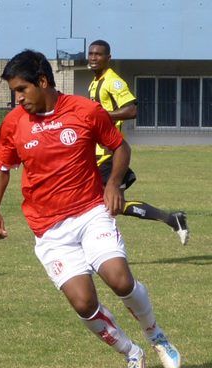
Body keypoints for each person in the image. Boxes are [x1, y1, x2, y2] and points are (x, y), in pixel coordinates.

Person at [0, 50, 180, 368]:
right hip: (49, 230)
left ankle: (155, 333)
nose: (17, 99)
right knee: (83, 303)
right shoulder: (14, 123)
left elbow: (120, 147)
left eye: (21, 90)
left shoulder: (84, 111)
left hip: (91, 212)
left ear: (43, 82)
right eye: (14, 92)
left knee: (119, 279)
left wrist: (113, 185)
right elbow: (1, 168)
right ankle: (133, 354)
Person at [88, 39, 189, 245]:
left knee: (100, 204)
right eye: (91, 54)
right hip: (99, 154)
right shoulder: (94, 83)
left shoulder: (112, 81)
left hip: (109, 154)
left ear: (108, 58)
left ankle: (104, 248)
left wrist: (104, 116)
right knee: (114, 205)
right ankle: (172, 219)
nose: (93, 58)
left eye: (98, 54)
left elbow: (131, 110)